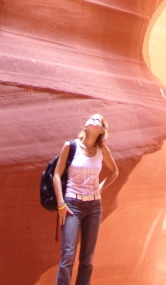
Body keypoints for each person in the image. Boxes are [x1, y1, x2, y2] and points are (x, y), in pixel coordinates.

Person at [52, 113, 118, 285]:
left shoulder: (102, 150)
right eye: (92, 118)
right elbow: (57, 175)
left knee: (87, 259)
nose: (94, 119)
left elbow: (114, 171)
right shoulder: (70, 146)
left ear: (102, 130)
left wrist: (102, 186)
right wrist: (61, 204)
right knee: (68, 255)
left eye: (98, 120)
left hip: (94, 207)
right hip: (72, 204)